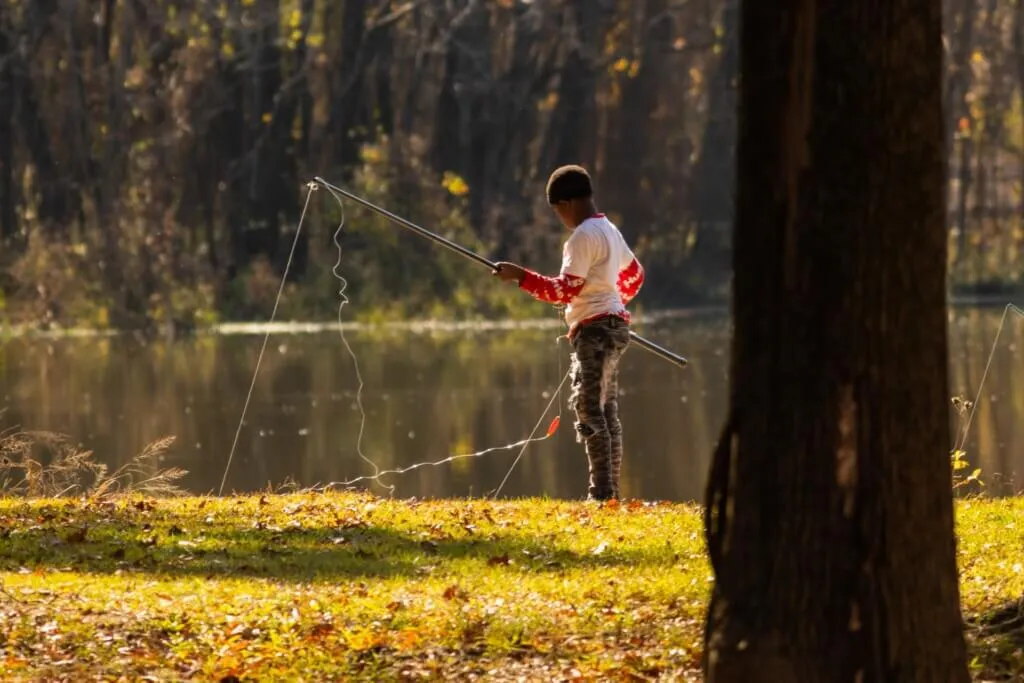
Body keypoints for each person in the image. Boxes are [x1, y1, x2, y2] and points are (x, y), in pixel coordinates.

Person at [493, 165, 645, 501]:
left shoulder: (581, 238)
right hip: (616, 328)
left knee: (590, 410)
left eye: (558, 211)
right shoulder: (609, 230)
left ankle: (602, 493)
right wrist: (609, 298)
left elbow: (562, 292)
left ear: (567, 203)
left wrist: (520, 277)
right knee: (606, 410)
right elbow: (635, 276)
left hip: (594, 332)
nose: (560, 218)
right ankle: (609, 491)